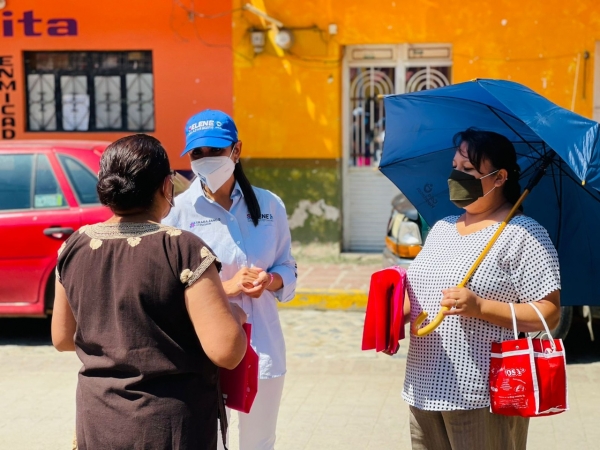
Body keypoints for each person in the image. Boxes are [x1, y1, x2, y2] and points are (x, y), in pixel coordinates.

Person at [51, 134, 248, 450]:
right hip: (169, 426)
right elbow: (227, 351)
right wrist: (234, 314)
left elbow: (62, 338)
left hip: (99, 421)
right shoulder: (182, 248)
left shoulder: (73, 247)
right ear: (166, 186)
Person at [402, 128, 561, 450]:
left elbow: (549, 314)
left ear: (500, 177)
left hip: (483, 395)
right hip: (422, 388)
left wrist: (481, 307)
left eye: (469, 170)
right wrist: (392, 309)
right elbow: (422, 295)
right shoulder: (442, 228)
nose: (456, 176)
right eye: (455, 166)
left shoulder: (523, 234)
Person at [163, 109, 297, 450]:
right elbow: (167, 288)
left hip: (262, 348)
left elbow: (288, 267)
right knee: (209, 440)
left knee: (259, 443)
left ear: (236, 151)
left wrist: (270, 280)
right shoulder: (178, 211)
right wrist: (224, 289)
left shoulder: (270, 205)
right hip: (204, 349)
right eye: (197, 153)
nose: (206, 159)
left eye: (215, 151)